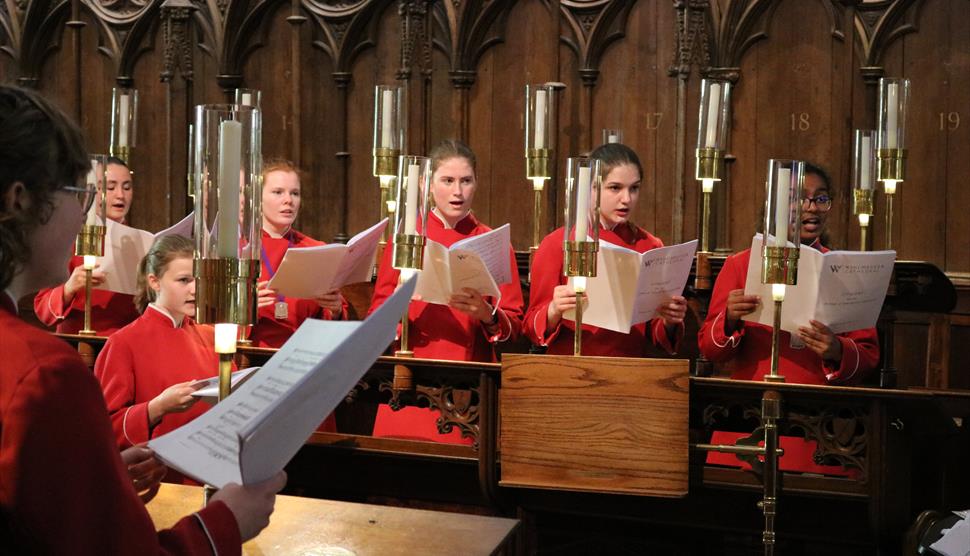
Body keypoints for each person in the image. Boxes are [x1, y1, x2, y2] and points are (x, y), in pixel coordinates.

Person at [0, 84, 284, 553]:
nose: (86, 217)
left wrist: (102, 484)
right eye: (79, 193)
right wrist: (226, 523)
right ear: (20, 200)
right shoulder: (41, 373)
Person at [698, 162, 880, 476]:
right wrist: (728, 319)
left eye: (820, 199)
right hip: (749, 415)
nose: (811, 207)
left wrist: (836, 349)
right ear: (773, 206)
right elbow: (709, 349)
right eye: (799, 198)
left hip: (820, 427)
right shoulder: (741, 265)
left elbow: (868, 357)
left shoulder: (844, 272)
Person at [368, 139, 525, 444]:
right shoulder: (406, 238)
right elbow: (375, 320)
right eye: (448, 181)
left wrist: (487, 314)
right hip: (409, 376)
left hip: (467, 385)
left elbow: (515, 326)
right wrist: (398, 305)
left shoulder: (491, 241)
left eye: (466, 181)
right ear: (427, 184)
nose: (457, 191)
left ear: (476, 184)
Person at [524, 143, 687, 356]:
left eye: (634, 188)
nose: (626, 199)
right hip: (568, 369)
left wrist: (669, 320)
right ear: (591, 188)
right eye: (615, 188)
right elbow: (530, 326)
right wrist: (554, 309)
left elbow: (656, 332)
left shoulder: (649, 246)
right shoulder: (557, 243)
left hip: (629, 369)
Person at [94, 235, 225, 474]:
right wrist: (156, 408)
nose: (195, 289)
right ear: (154, 281)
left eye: (199, 279)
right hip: (160, 476)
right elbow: (103, 429)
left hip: (211, 468)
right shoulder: (123, 342)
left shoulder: (211, 336)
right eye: (184, 280)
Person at [33, 156, 139, 335]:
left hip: (125, 343)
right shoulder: (67, 239)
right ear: (91, 191)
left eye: (127, 187)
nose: (120, 195)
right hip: (76, 343)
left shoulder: (140, 242)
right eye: (110, 187)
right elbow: (43, 309)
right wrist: (69, 288)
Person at [250, 159, 347, 349]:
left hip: (305, 355)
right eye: (278, 192)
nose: (288, 200)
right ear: (257, 197)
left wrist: (334, 309)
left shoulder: (316, 249)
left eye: (295, 193)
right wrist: (243, 308)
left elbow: (333, 315)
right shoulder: (240, 249)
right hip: (252, 354)